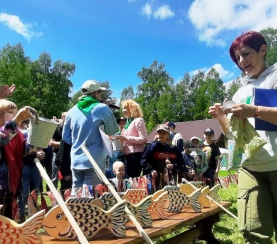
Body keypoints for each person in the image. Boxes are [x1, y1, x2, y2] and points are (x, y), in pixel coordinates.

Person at [209, 31, 277, 243]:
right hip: (251, 168)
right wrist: (221, 117)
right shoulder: (240, 92)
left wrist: (255, 111)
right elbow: (234, 136)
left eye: (245, 54)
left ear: (263, 50)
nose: (241, 61)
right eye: (237, 58)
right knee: (253, 232)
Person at [62, 80, 118, 192]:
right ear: (95, 93)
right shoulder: (101, 108)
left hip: (76, 160)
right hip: (94, 160)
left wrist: (80, 140)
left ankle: (73, 210)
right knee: (90, 197)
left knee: (76, 196)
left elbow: (66, 137)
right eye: (99, 92)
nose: (101, 95)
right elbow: (112, 130)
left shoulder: (72, 111)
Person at [0, 100, 32, 219]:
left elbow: (26, 149)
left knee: (8, 221)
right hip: (1, 183)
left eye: (15, 112)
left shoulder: (19, 133)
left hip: (12, 185)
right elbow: (3, 138)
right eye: (10, 112)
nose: (14, 114)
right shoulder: (6, 131)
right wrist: (17, 120)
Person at [141, 124, 187, 190]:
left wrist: (167, 162)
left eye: (164, 133)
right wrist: (151, 170)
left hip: (161, 175)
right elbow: (143, 160)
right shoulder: (152, 146)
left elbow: (165, 158)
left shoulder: (167, 147)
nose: (161, 135)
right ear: (157, 134)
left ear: (168, 135)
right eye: (159, 133)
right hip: (150, 175)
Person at [115, 99, 147, 178]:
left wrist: (126, 138)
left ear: (132, 108)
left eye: (125, 108)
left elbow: (143, 139)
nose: (123, 110)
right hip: (127, 155)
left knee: (134, 179)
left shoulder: (138, 121)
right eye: (123, 108)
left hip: (135, 155)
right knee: (128, 179)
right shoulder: (127, 124)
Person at [49, 112, 67, 188]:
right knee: (55, 177)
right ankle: (53, 195)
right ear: (62, 118)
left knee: (66, 176)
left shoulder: (71, 129)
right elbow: (50, 142)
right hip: (56, 154)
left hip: (67, 156)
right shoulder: (57, 128)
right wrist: (62, 145)